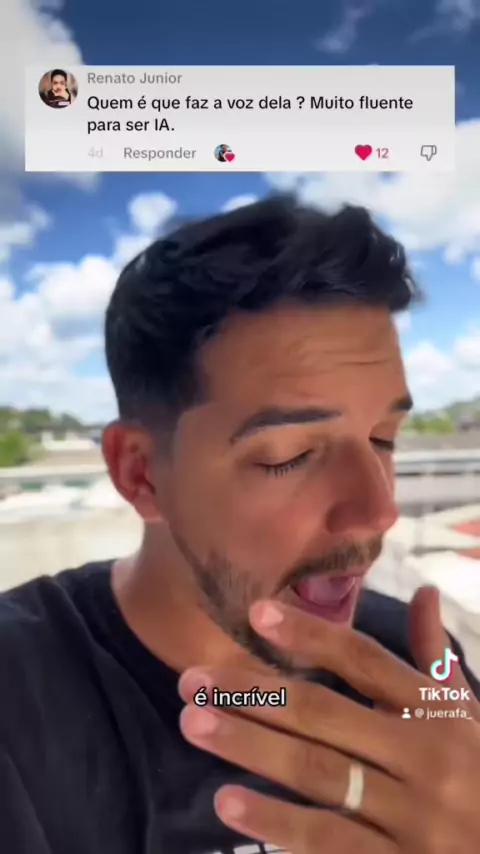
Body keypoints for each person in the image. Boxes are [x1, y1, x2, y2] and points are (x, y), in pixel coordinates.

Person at [1, 196, 479, 854]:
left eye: (383, 439)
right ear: (141, 474)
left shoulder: (418, 667)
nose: (379, 510)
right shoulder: (19, 698)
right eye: (290, 455)